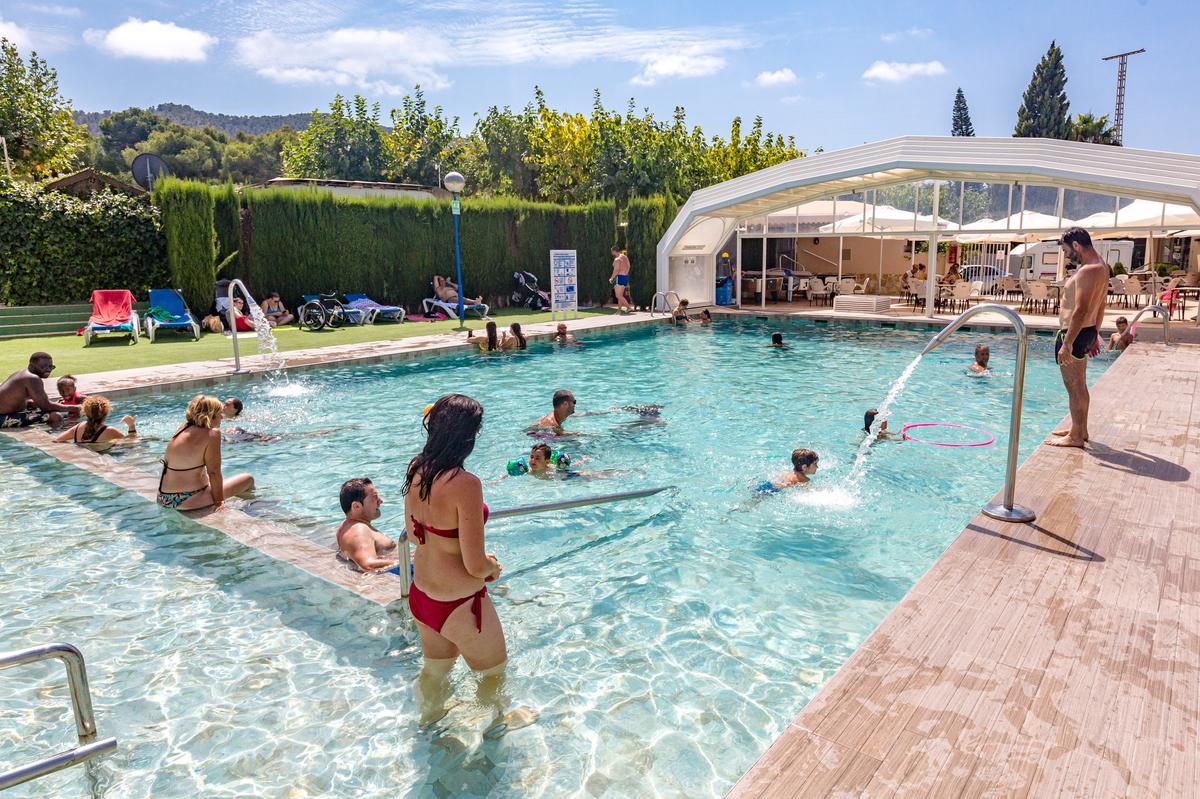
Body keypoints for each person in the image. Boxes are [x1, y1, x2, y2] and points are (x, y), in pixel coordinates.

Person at [403, 394, 508, 721]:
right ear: (467, 436)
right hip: (460, 604)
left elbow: (412, 530)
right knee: (494, 676)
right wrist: (493, 567)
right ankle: (495, 739)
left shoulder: (416, 468)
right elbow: (475, 565)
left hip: (423, 597)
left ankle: (429, 725)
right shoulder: (466, 485)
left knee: (435, 672)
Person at [1048, 228, 1108, 448]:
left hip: (1073, 333)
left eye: (1066, 250)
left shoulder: (1086, 272)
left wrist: (1067, 343)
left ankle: (1075, 437)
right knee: (1080, 385)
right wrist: (1096, 333)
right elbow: (1101, 303)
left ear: (1076, 246)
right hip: (1087, 331)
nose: (1066, 256)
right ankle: (1080, 429)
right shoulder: (1102, 266)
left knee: (1073, 386)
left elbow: (1080, 310)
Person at [157, 395, 255, 510]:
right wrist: (219, 503)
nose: (222, 417)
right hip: (185, 500)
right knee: (248, 479)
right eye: (219, 413)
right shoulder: (213, 434)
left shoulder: (182, 427)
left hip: (163, 498)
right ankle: (245, 508)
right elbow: (214, 472)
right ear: (211, 415)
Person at [336, 478, 400, 571]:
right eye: (375, 497)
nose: (380, 501)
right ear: (356, 506)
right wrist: (407, 563)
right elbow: (368, 564)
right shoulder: (359, 529)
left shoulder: (347, 525)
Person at [0, 353, 75, 428]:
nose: (48, 369)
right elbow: (46, 406)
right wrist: (76, 408)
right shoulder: (32, 378)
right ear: (31, 366)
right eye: (43, 366)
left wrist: (31, 403)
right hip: (2, 418)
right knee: (55, 416)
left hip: (6, 414)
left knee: (36, 406)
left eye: (50, 366)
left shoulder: (20, 374)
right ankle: (55, 438)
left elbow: (12, 399)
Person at [54, 396, 136, 447]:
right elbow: (131, 443)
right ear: (106, 412)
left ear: (85, 412)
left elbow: (57, 440)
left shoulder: (78, 427)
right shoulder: (109, 430)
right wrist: (131, 426)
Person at [755, 449, 820, 494]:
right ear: (804, 467)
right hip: (774, 491)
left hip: (766, 485)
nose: (817, 467)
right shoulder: (804, 480)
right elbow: (810, 493)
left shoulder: (786, 473)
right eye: (815, 464)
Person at [609, 246, 632, 313]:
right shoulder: (625, 257)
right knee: (620, 296)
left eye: (611, 251)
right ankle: (619, 311)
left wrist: (612, 278)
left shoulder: (617, 259)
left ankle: (628, 307)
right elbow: (628, 266)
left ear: (613, 251)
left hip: (619, 277)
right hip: (625, 277)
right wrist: (626, 273)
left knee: (618, 295)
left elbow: (616, 270)